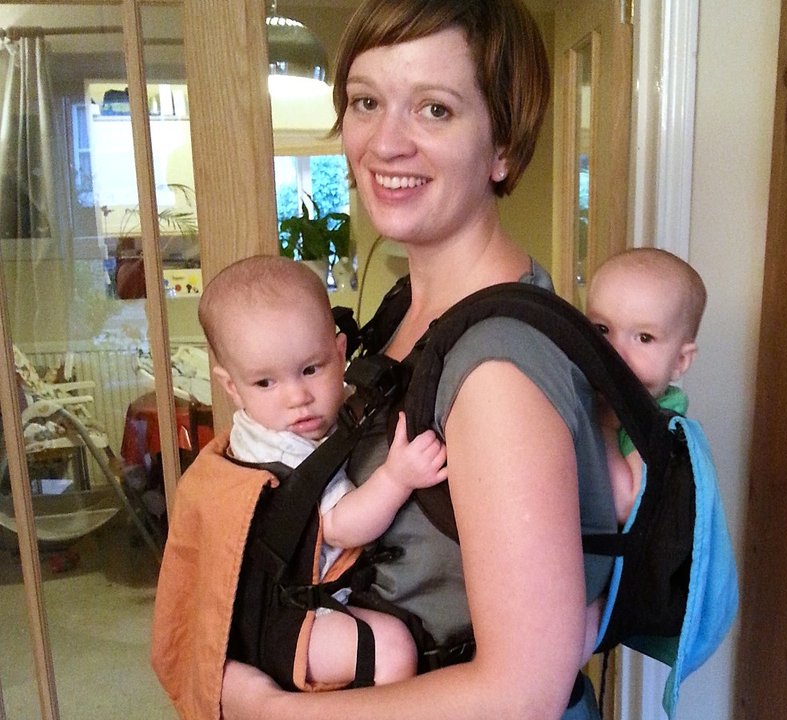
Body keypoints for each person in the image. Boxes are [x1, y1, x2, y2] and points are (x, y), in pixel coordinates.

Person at [219, 1, 615, 718]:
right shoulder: (407, 307)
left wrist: (270, 710)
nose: (384, 142)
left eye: (434, 109)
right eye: (367, 101)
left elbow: (520, 695)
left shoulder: (498, 371)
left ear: (503, 146)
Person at [187, 255, 448, 689]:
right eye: (265, 383)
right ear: (231, 387)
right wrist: (397, 477)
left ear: (340, 352)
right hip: (287, 622)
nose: (297, 397)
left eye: (311, 369)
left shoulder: (273, 422)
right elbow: (342, 526)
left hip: (301, 605)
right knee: (392, 646)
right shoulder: (283, 450)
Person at [585, 248, 706, 525]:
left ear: (679, 360)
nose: (614, 352)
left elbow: (624, 504)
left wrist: (604, 426)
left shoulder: (662, 424)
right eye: (602, 329)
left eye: (644, 337)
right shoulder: (584, 390)